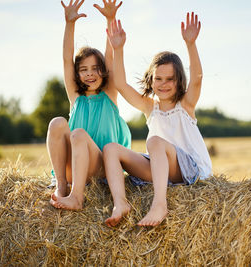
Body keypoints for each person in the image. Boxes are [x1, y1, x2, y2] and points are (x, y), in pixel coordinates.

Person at [103, 12, 212, 227]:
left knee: (154, 141)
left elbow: (197, 79)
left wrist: (191, 44)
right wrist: (118, 49)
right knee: (110, 149)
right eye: (158, 79)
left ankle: (160, 204)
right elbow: (121, 85)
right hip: (160, 169)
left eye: (169, 79)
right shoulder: (149, 107)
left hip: (190, 169)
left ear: (179, 80)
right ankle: (121, 203)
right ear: (151, 80)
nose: (163, 84)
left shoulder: (186, 105)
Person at [48, 0, 131, 210]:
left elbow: (110, 56)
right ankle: (61, 186)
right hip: (73, 169)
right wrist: (70, 23)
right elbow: (67, 59)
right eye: (84, 69)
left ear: (103, 71)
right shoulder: (76, 98)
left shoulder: (109, 95)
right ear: (77, 74)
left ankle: (77, 197)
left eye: (95, 68)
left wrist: (110, 19)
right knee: (58, 122)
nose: (90, 73)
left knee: (78, 134)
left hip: (101, 168)